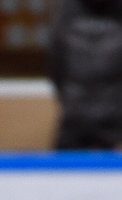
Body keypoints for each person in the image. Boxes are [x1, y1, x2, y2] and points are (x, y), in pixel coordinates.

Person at [50, 0, 122, 150]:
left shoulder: (67, 12)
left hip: (74, 114)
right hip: (113, 118)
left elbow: (56, 65)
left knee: (64, 170)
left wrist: (69, 97)